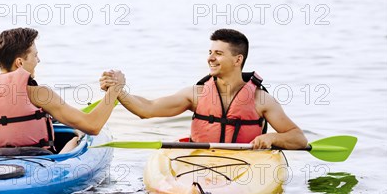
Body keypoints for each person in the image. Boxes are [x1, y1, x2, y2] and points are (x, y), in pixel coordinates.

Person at [100, 29, 308, 149]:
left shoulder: (261, 100)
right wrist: (118, 91)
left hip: (244, 165)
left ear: (238, 59)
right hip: (199, 162)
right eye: (210, 51)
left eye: (218, 53)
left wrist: (272, 138)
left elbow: (298, 138)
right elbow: (148, 108)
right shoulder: (196, 94)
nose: (210, 58)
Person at [0, 28, 123, 162]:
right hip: (39, 163)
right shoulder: (39, 94)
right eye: (35, 55)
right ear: (20, 63)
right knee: (76, 137)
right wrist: (115, 89)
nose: (38, 60)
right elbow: (92, 126)